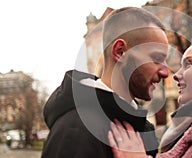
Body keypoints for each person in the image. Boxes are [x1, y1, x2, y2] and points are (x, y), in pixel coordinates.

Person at [41, 7, 169, 158]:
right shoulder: (76, 129)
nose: (165, 72)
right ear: (120, 52)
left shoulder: (143, 126)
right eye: (156, 58)